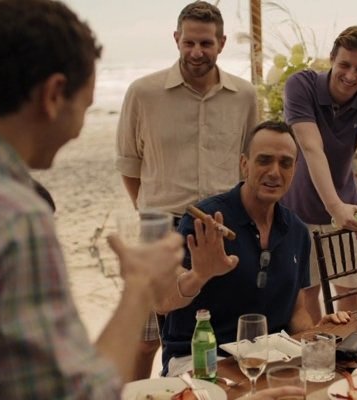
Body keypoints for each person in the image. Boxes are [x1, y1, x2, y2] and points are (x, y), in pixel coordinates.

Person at [0, 0, 227, 397]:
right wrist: (139, 288)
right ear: (54, 95)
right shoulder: (13, 219)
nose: (81, 126)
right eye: (86, 103)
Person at [115, 0, 258, 378]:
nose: (197, 52)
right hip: (160, 229)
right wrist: (149, 215)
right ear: (176, 38)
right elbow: (129, 165)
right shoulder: (142, 93)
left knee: (213, 328)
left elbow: (248, 163)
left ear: (221, 43)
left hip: (220, 228)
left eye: (206, 43)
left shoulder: (244, 96)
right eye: (189, 42)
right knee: (146, 338)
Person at [160, 120, 351, 376]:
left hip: (269, 361)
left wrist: (316, 334)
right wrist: (199, 275)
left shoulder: (296, 231)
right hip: (199, 360)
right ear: (244, 164)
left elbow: (296, 312)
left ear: (295, 170)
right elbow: (161, 301)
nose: (274, 172)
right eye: (264, 160)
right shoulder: (206, 221)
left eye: (285, 163)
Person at [281, 25, 357, 321]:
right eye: (345, 65)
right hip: (298, 208)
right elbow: (311, 148)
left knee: (349, 292)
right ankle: (319, 349)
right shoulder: (300, 85)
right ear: (331, 58)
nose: (351, 75)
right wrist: (334, 207)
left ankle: (351, 350)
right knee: (307, 295)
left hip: (346, 206)